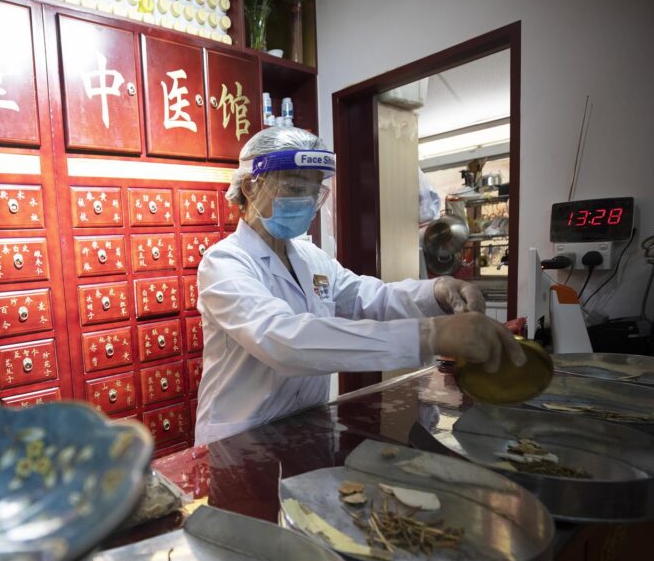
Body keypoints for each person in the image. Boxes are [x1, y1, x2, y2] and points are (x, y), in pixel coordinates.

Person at [194, 127, 525, 445]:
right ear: (250, 187)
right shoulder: (224, 263)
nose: (306, 201)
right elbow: (285, 341)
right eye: (295, 188)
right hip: (239, 438)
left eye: (314, 191)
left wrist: (436, 291)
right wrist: (428, 335)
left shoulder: (311, 258)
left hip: (301, 429)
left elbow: (370, 297)